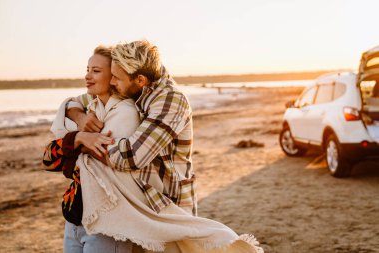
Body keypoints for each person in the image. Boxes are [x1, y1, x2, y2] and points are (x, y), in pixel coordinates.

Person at [64, 40, 263, 253]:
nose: (111, 82)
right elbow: (75, 101)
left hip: (167, 204)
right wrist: (80, 116)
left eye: (116, 77)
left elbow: (130, 157)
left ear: (140, 79)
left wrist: (82, 143)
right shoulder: (133, 89)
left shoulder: (171, 100)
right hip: (140, 204)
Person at [43, 45, 139, 253]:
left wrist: (73, 143)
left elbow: (101, 159)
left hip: (108, 222)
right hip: (76, 218)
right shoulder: (91, 109)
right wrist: (80, 136)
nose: (87, 76)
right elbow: (49, 157)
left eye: (96, 71)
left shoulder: (126, 113)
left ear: (114, 76)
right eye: (87, 69)